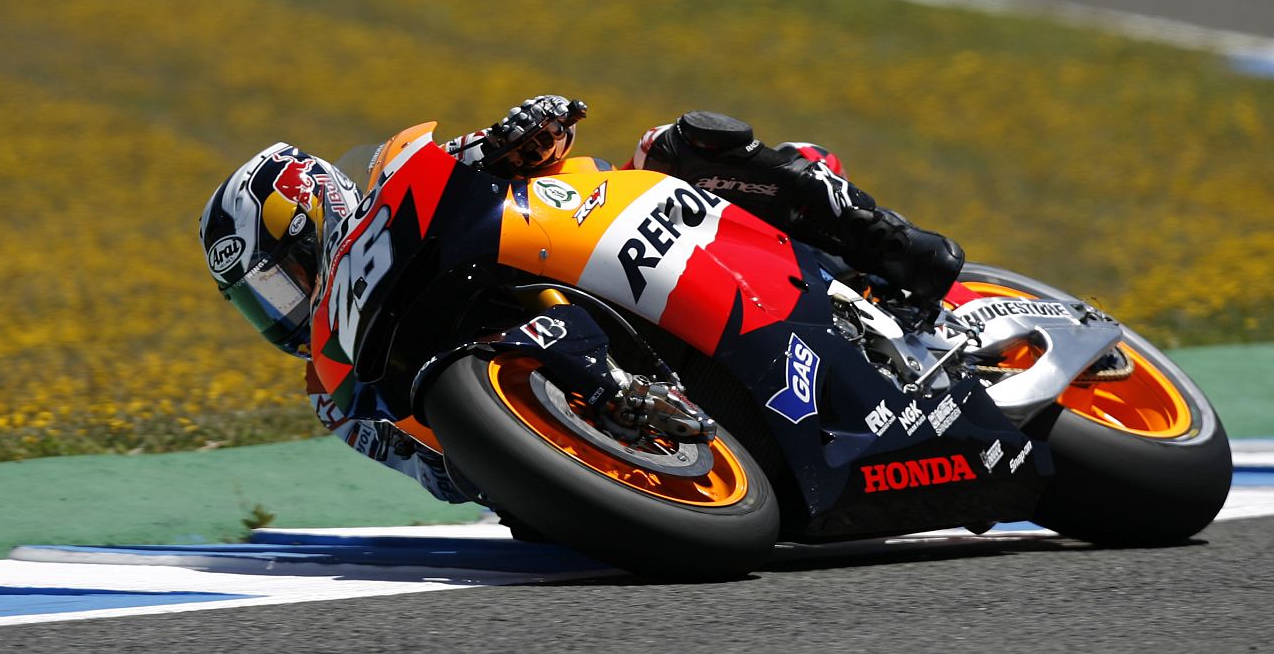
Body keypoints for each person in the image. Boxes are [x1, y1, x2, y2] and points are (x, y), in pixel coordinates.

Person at [197, 96, 964, 504]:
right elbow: (431, 475)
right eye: (258, 303)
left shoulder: (400, 177)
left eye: (277, 281)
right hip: (570, 459)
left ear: (313, 215)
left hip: (620, 234)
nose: (281, 310)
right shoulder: (338, 392)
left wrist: (521, 132)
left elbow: (521, 150)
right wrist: (480, 465)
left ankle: (891, 247)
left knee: (678, 144)